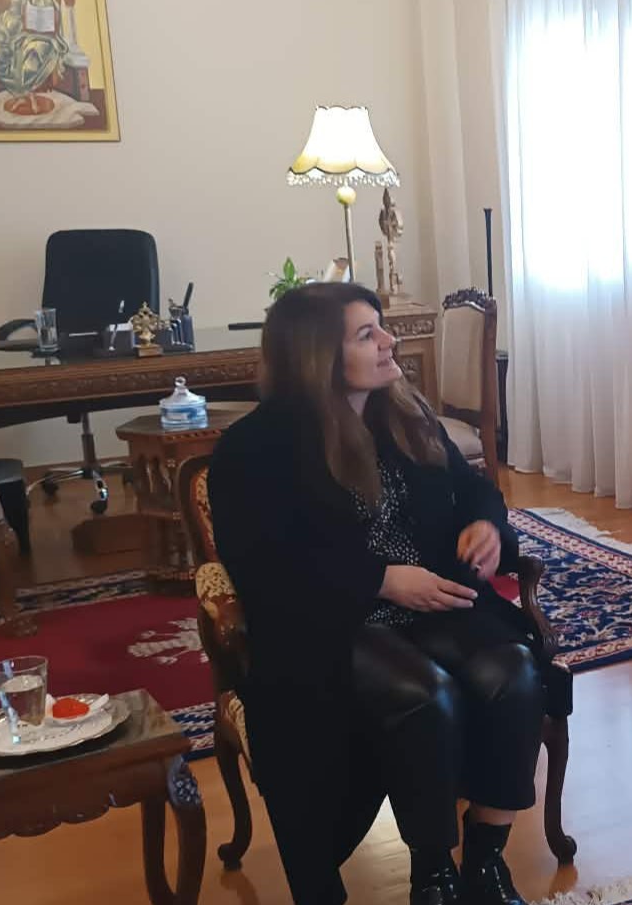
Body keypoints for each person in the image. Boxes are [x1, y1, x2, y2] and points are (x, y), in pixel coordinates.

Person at [210, 282, 566, 905]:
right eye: (365, 334)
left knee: (513, 670)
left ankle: (485, 865)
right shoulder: (253, 449)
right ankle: (434, 874)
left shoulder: (403, 414)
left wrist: (485, 526)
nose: (389, 340)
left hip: (432, 600)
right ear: (317, 355)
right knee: (424, 694)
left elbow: (474, 488)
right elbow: (265, 562)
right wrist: (380, 578)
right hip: (331, 619)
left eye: (380, 326)